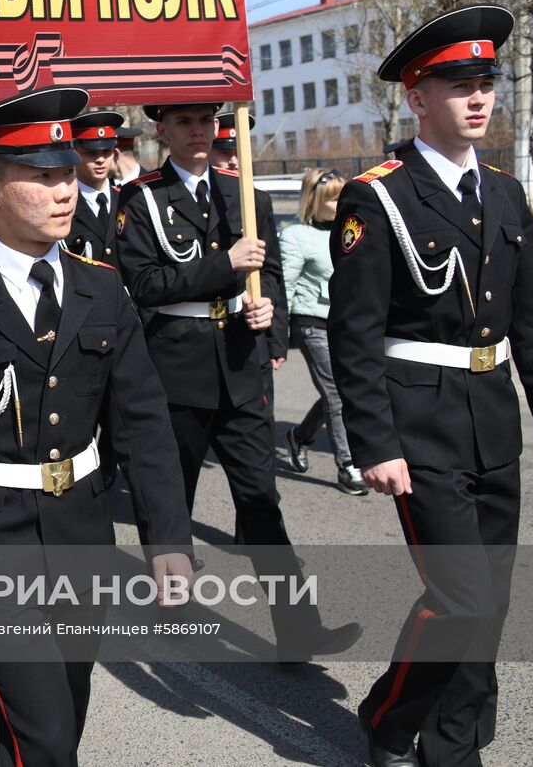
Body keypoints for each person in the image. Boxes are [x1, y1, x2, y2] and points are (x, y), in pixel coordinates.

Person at [0, 87, 193, 767]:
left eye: (69, 173)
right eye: (43, 177)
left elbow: (143, 424)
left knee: (60, 710)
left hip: (82, 526)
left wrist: (167, 535)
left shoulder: (101, 287)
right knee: (47, 733)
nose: (65, 192)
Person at [329, 5, 533, 767]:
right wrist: (374, 442)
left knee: (491, 600)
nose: (478, 98)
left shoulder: (505, 195)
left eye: (485, 83)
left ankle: (455, 739)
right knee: (461, 596)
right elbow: (355, 334)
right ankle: (388, 714)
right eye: (458, 85)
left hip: (493, 417)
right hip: (420, 426)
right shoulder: (378, 197)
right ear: (416, 97)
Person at [116, 101, 359, 663]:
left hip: (240, 365)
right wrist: (223, 265)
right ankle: (170, 609)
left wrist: (269, 319)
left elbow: (269, 272)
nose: (198, 130)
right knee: (170, 495)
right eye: (184, 122)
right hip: (175, 368)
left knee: (260, 500)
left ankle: (299, 629)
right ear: (162, 130)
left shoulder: (247, 192)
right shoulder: (141, 198)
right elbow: (144, 283)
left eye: (206, 121)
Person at [278, 168, 365, 495]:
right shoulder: (296, 236)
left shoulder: (352, 231)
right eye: (332, 198)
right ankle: (348, 465)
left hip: (346, 322)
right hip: (311, 322)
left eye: (343, 195)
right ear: (314, 201)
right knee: (337, 393)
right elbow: (285, 287)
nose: (340, 203)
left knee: (342, 390)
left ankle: (298, 436)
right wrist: (277, 334)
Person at [207, 114, 288, 462]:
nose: (234, 159)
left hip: (251, 335)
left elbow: (272, 272)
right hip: (201, 336)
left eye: (238, 150)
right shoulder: (191, 201)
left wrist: (276, 334)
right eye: (224, 151)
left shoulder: (257, 200)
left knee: (257, 451)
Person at [63, 110, 124, 262]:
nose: (100, 160)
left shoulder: (128, 200)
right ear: (74, 153)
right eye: (91, 153)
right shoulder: (64, 204)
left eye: (106, 152)